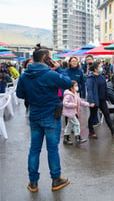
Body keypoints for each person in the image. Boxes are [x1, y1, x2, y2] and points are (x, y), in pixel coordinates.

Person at [16, 44, 72, 192]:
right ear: (45, 58)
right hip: (51, 115)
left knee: (34, 149)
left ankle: (33, 182)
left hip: (34, 115)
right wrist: (59, 68)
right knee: (52, 149)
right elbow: (68, 82)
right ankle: (56, 179)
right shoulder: (50, 74)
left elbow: (20, 94)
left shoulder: (24, 75)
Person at [86, 62, 114, 139]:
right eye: (100, 67)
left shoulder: (101, 76)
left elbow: (105, 87)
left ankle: (113, 130)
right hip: (95, 100)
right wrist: (91, 101)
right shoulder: (91, 78)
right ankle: (91, 131)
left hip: (102, 99)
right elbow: (90, 90)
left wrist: (109, 98)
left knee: (107, 114)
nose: (101, 68)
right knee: (92, 116)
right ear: (95, 69)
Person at [62, 80, 90, 145]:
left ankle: (65, 138)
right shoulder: (68, 95)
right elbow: (65, 103)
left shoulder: (76, 94)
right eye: (76, 86)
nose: (77, 87)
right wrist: (74, 105)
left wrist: (88, 104)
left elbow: (80, 102)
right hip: (70, 113)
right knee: (77, 124)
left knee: (69, 125)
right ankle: (78, 138)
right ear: (71, 88)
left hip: (73, 112)